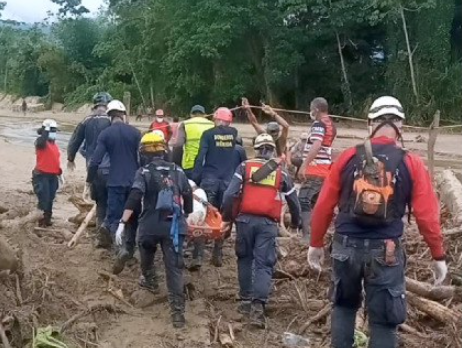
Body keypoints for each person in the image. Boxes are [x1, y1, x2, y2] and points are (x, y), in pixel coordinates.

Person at [307, 96, 447, 348]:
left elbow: (323, 206)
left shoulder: (348, 157)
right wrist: (438, 256)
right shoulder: (411, 162)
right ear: (400, 125)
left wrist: (315, 244)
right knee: (383, 321)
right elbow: (428, 216)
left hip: (345, 248)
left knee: (343, 307)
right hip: (387, 252)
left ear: (369, 123)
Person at [221, 133, 301, 327]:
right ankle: (258, 309)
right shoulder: (281, 172)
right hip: (267, 225)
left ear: (256, 149)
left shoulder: (244, 167)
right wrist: (296, 222)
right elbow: (293, 201)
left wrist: (226, 217)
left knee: (245, 259)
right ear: (272, 150)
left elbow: (230, 194)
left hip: (245, 221)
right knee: (264, 264)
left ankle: (245, 301)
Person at [115, 132, 192, 328]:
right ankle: (178, 315)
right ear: (164, 151)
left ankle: (150, 280)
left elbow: (134, 196)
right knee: (174, 269)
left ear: (144, 154)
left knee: (146, 252)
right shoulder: (178, 171)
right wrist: (187, 214)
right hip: (174, 227)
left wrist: (122, 223)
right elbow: (188, 195)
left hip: (150, 225)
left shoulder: (143, 172)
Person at [87, 100, 142, 273]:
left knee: (114, 217)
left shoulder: (106, 134)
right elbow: (143, 157)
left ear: (110, 116)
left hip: (115, 182)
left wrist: (90, 179)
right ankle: (130, 249)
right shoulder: (135, 133)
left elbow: (95, 161)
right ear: (124, 115)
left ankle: (119, 248)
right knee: (133, 217)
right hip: (134, 183)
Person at [189, 107, 238, 269]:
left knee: (204, 216)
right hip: (227, 182)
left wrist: (195, 178)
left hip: (209, 179)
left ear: (216, 118)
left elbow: (200, 157)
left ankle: (198, 256)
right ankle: (218, 253)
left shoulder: (208, 134)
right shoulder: (234, 134)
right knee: (222, 216)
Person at [67, 92, 113, 231]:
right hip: (110, 165)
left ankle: (100, 225)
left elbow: (75, 140)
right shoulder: (113, 120)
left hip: (92, 165)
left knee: (99, 198)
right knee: (112, 196)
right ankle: (109, 225)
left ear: (95, 105)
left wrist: (70, 158)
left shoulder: (86, 120)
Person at [298, 97, 336, 243]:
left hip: (315, 169)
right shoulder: (331, 124)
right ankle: (319, 234)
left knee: (303, 199)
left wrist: (304, 165)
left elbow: (317, 144)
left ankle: (307, 236)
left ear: (317, 109)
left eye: (311, 109)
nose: (310, 112)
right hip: (324, 168)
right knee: (316, 203)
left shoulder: (319, 124)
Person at [32, 119, 64, 227]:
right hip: (42, 175)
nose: (55, 133)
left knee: (50, 198)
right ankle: (41, 220)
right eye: (53, 130)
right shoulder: (41, 142)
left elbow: (54, 159)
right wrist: (46, 129)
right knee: (44, 198)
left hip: (52, 176)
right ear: (47, 131)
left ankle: (47, 219)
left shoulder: (53, 144)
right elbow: (41, 142)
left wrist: (59, 171)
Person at [172, 105, 213, 178]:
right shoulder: (211, 124)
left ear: (191, 114)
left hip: (190, 164)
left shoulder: (185, 124)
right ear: (204, 114)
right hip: (208, 164)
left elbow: (178, 144)